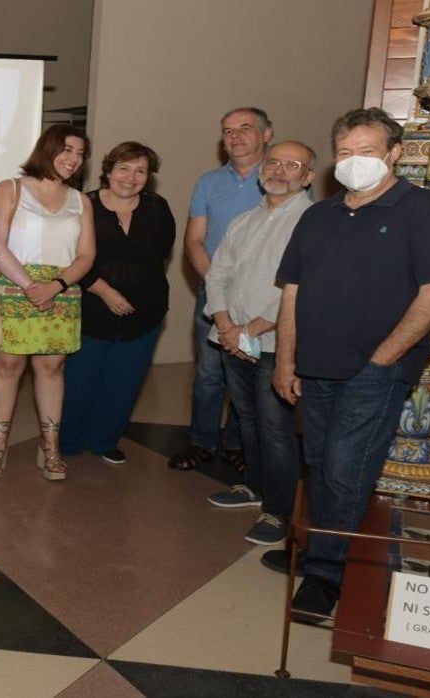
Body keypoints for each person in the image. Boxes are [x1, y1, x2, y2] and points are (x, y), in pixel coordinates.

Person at [273, 108, 430, 621]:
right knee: (319, 466)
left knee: (344, 470)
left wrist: (382, 359)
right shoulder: (317, 215)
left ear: (394, 153)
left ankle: (325, 576)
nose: (356, 162)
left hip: (374, 371)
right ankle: (321, 548)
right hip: (314, 366)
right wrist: (285, 359)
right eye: (346, 153)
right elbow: (292, 290)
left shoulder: (422, 210)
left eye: (368, 151)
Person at [203, 141, 315, 547]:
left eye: (292, 165)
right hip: (233, 337)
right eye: (274, 162)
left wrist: (252, 328)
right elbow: (217, 275)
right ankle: (253, 485)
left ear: (308, 176)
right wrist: (225, 322)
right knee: (246, 420)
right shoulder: (244, 220)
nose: (280, 170)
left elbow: (300, 287)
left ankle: (279, 510)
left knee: (275, 428)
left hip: (274, 342)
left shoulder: (312, 220)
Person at [0, 124, 96, 482]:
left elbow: (86, 255)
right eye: (68, 150)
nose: (74, 159)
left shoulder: (81, 201)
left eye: (80, 154)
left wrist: (55, 286)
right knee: (7, 368)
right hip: (15, 286)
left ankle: (51, 449)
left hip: (61, 293)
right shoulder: (11, 188)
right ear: (48, 148)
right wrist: (31, 285)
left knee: (51, 370)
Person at [169, 107, 274, 472]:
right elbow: (194, 240)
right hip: (214, 294)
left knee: (248, 376)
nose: (235, 136)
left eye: (245, 128)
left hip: (263, 300)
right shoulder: (209, 182)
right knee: (210, 374)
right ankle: (201, 442)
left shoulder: (280, 180)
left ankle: (238, 444)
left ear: (267, 134)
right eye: (228, 130)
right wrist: (218, 287)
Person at [59, 142, 174, 464]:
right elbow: (70, 256)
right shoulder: (83, 206)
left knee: (124, 383)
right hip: (90, 310)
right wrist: (106, 291)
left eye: (141, 171)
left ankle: (105, 440)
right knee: (79, 383)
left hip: (144, 314)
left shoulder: (158, 207)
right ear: (108, 171)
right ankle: (67, 443)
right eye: (123, 168)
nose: (131, 177)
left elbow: (161, 253)